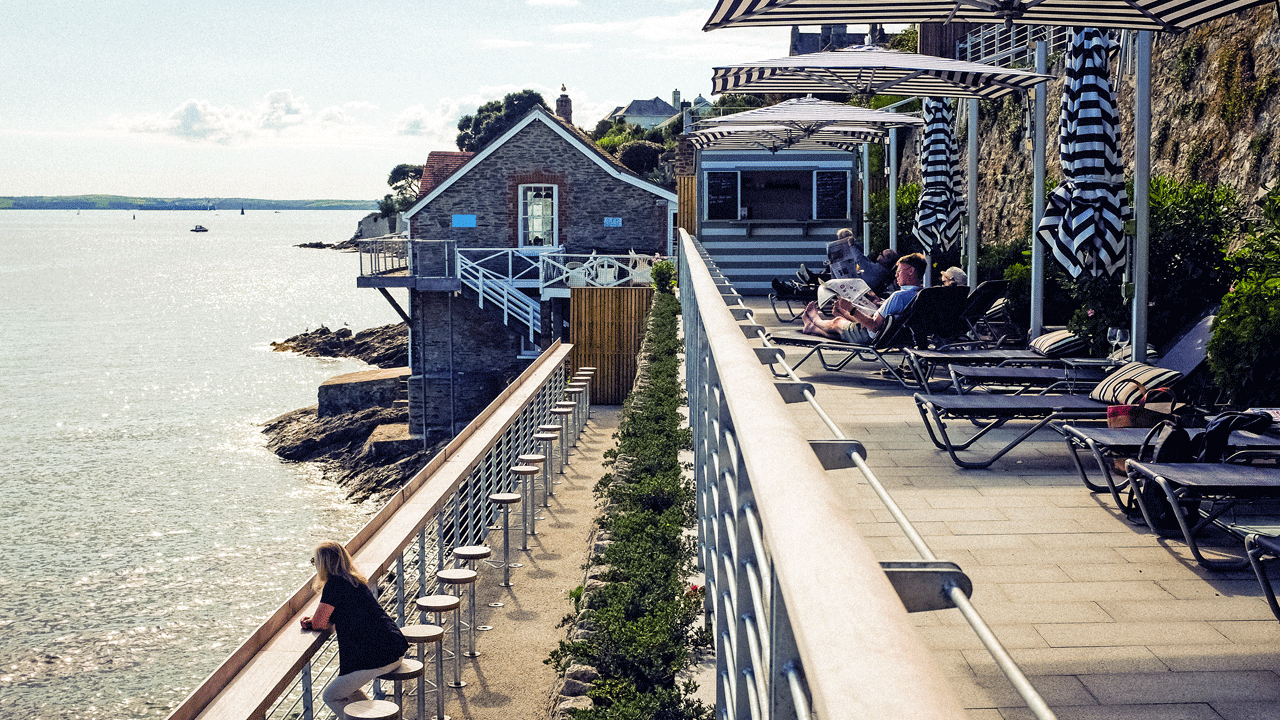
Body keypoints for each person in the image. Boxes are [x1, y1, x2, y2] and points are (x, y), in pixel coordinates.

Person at [302, 541, 409, 719]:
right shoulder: (354, 580)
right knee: (348, 690)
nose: (315, 566)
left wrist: (311, 622)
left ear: (323, 564)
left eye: (315, 562)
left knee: (331, 695)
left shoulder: (334, 585)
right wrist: (317, 620)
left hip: (380, 656)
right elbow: (335, 615)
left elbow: (320, 623)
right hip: (394, 647)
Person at [802, 253, 926, 345]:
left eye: (899, 271)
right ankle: (812, 328)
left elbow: (874, 327)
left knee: (838, 321)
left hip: (871, 336)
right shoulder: (922, 294)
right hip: (897, 337)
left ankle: (815, 320)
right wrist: (882, 303)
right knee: (844, 322)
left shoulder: (898, 296)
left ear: (911, 271)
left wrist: (851, 309)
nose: (896, 275)